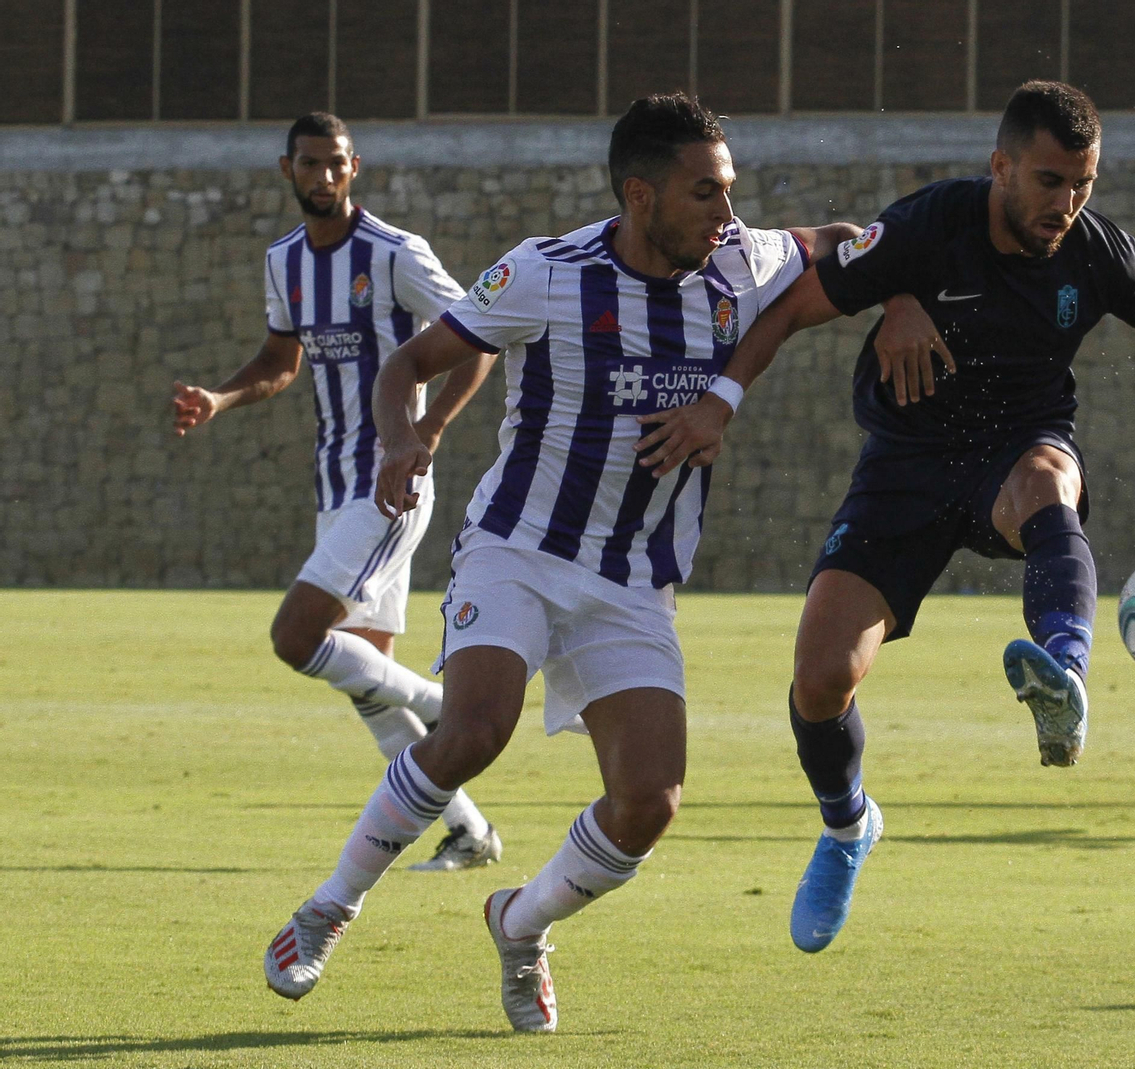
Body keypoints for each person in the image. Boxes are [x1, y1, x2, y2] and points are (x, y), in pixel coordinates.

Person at [261, 93, 860, 1030]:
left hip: (633, 580)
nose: (725, 212)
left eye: (730, 189)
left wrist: (901, 299)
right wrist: (398, 441)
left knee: (649, 804)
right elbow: (402, 367)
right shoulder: (544, 273)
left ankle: (522, 921)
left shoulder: (740, 259)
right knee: (473, 731)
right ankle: (330, 905)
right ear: (640, 193)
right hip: (519, 550)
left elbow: (847, 244)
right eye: (705, 193)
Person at [635, 80, 1135, 953]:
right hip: (904, 468)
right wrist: (725, 398)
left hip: (1019, 444)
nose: (1065, 204)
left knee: (1046, 483)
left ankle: (1064, 674)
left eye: (1083, 184)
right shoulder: (928, 225)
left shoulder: (1096, 251)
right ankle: (847, 827)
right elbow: (798, 303)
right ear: (1000, 167)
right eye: (1048, 181)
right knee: (819, 679)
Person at [171, 112, 503, 871]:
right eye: (310, 164)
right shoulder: (285, 260)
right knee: (364, 680)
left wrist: (432, 429)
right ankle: (470, 831)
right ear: (286, 169)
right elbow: (280, 360)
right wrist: (219, 399)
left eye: (336, 164)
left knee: (297, 638)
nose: (323, 177)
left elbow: (477, 335)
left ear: (356, 169)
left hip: (389, 483)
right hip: (336, 484)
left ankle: (448, 707)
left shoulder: (394, 254)